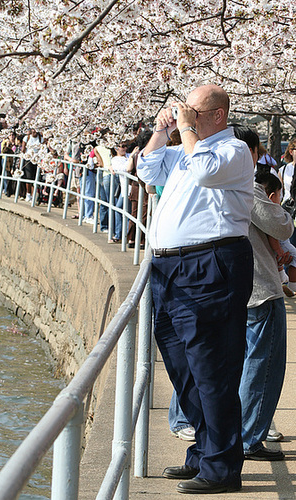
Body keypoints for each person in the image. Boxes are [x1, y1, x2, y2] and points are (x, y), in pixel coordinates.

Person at [137, 84, 254, 495]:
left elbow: (205, 171)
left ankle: (222, 468)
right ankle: (203, 452)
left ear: (218, 116)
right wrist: (162, 130)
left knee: (211, 367)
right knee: (181, 366)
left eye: (194, 112)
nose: (187, 117)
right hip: (169, 268)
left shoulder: (232, 152)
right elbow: (147, 169)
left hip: (211, 265)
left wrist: (185, 132)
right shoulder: (185, 151)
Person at [233, 125, 293, 461]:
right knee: (262, 366)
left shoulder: (217, 185)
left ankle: (245, 433)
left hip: (235, 289)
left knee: (244, 365)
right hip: (259, 289)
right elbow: (282, 225)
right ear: (252, 152)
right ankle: (249, 437)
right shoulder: (249, 189)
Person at [279, 138, 296, 247]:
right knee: (290, 247)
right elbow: (279, 194)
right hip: (289, 212)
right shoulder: (284, 170)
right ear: (291, 151)